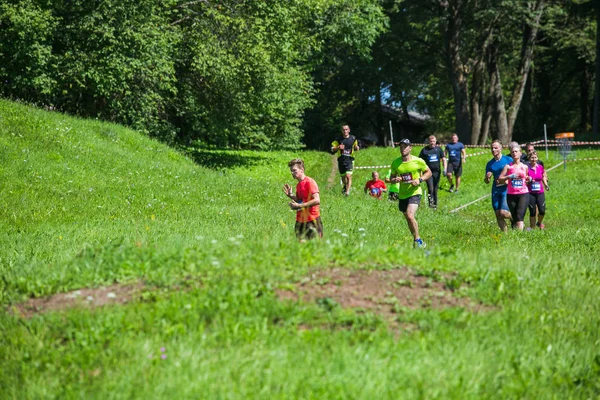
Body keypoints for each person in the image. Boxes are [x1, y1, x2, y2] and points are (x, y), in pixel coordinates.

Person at [389, 139, 432, 248]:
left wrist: (420, 180)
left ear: (410, 148)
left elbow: (429, 172)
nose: (403, 149)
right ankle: (416, 239)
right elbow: (391, 178)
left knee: (410, 215)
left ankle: (418, 241)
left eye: (405, 147)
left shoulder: (418, 161)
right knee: (408, 218)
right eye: (401, 147)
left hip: (415, 192)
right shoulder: (396, 163)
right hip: (403, 194)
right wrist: (395, 179)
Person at [282, 158, 323, 241]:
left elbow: (317, 200)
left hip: (312, 220)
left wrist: (299, 205)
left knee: (315, 248)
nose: (292, 173)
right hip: (300, 221)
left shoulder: (309, 182)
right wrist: (291, 196)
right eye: (291, 171)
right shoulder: (299, 185)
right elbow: (300, 200)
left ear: (302, 169)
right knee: (301, 248)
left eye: (294, 170)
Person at [498, 145, 530, 231]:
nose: (514, 153)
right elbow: (500, 179)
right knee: (515, 216)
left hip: (523, 193)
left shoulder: (525, 166)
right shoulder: (508, 167)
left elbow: (527, 178)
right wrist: (509, 176)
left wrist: (528, 179)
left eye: (516, 151)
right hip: (511, 194)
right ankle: (516, 231)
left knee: (520, 216)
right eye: (512, 152)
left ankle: (519, 238)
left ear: (520, 153)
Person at [484, 140, 513, 231]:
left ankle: (514, 218)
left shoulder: (508, 160)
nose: (493, 150)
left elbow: (515, 173)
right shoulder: (490, 163)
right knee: (498, 214)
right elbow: (486, 181)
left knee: (504, 213)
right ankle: (506, 236)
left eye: (495, 148)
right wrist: (487, 178)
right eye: (492, 148)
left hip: (506, 188)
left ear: (500, 148)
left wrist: (508, 180)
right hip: (496, 189)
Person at [418, 135, 447, 208]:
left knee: (435, 189)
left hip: (437, 172)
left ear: (435, 141)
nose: (433, 143)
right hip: (428, 173)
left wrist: (445, 169)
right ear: (428, 142)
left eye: (434, 141)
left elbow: (444, 159)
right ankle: (431, 204)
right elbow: (420, 162)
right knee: (430, 189)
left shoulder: (439, 149)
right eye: (431, 141)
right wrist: (420, 172)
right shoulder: (424, 150)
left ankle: (435, 205)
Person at [331, 124, 359, 196]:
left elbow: (356, 147)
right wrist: (338, 147)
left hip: (350, 159)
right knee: (343, 177)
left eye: (346, 129)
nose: (345, 131)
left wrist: (357, 148)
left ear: (349, 130)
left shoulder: (353, 138)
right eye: (343, 130)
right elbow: (332, 149)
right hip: (341, 160)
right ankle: (346, 186)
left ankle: (347, 192)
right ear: (342, 131)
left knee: (348, 176)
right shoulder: (338, 139)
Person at [527, 151, 549, 230]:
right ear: (529, 158)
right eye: (532, 158)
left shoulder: (540, 167)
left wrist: (546, 185)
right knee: (532, 211)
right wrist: (529, 180)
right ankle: (532, 228)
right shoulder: (527, 168)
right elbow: (524, 178)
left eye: (535, 157)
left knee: (542, 210)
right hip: (530, 193)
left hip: (540, 192)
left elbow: (543, 176)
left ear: (537, 158)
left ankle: (539, 222)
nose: (534, 159)